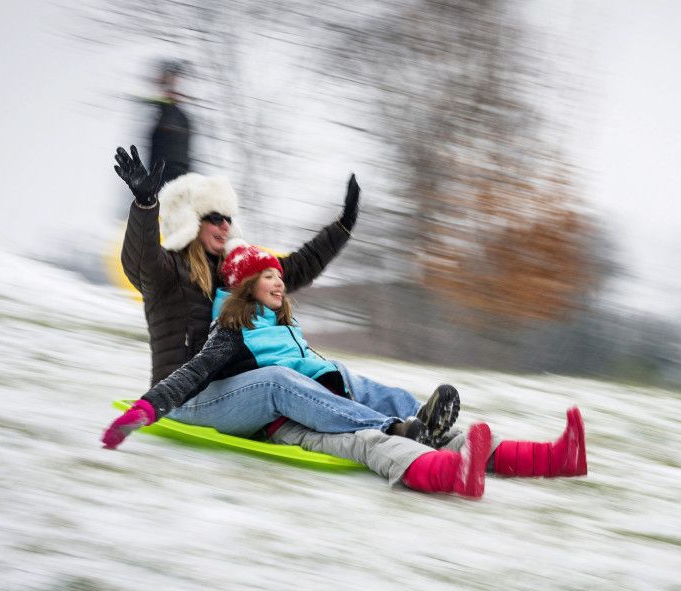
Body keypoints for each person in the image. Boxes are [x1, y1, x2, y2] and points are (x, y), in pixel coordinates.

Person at [102, 243, 588, 496]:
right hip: (284, 419)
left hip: (326, 403)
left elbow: (322, 374)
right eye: (268, 276)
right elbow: (193, 374)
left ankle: (551, 457)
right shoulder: (231, 329)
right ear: (246, 286)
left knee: (355, 378)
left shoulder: (284, 325)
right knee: (366, 438)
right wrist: (146, 408)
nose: (279, 283)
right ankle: (422, 447)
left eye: (279, 276)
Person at [113, 144, 458, 440]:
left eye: (228, 218)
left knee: (333, 370)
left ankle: (425, 418)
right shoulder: (167, 271)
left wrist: (343, 226)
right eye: (215, 217)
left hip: (231, 388)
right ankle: (391, 430)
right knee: (276, 380)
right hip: (182, 398)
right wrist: (145, 205)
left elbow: (293, 268)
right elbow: (140, 260)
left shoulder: (233, 269)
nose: (225, 225)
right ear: (192, 220)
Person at [147, 60, 193, 184]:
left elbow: (188, 157)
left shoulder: (182, 118)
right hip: (160, 178)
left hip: (178, 178)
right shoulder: (157, 113)